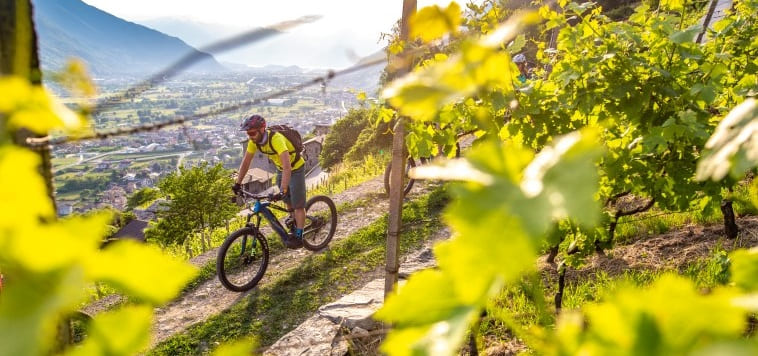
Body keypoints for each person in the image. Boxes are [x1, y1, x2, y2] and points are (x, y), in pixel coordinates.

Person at [233, 114, 306, 249]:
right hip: (281, 169)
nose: (250, 136)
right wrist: (238, 183)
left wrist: (283, 189)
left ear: (262, 129)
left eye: (252, 133)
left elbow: (287, 166)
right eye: (248, 134)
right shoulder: (254, 142)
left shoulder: (276, 139)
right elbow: (246, 162)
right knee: (286, 199)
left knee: (298, 205)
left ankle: (299, 236)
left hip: (295, 168)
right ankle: (292, 219)